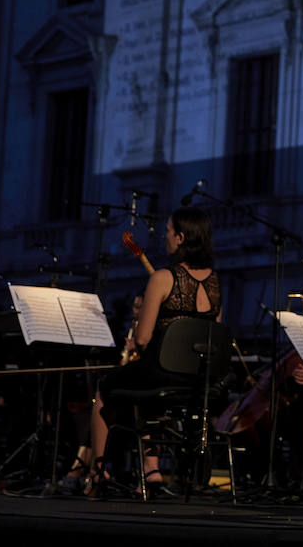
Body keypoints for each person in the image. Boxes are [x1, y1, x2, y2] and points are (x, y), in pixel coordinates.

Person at [88, 206, 221, 493]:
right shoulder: (215, 283)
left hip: (164, 373)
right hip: (199, 377)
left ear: (182, 237)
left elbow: (145, 338)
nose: (165, 237)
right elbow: (214, 335)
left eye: (169, 232)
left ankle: (97, 471)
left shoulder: (162, 278)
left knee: (103, 391)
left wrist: (135, 343)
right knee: (150, 396)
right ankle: (151, 472)